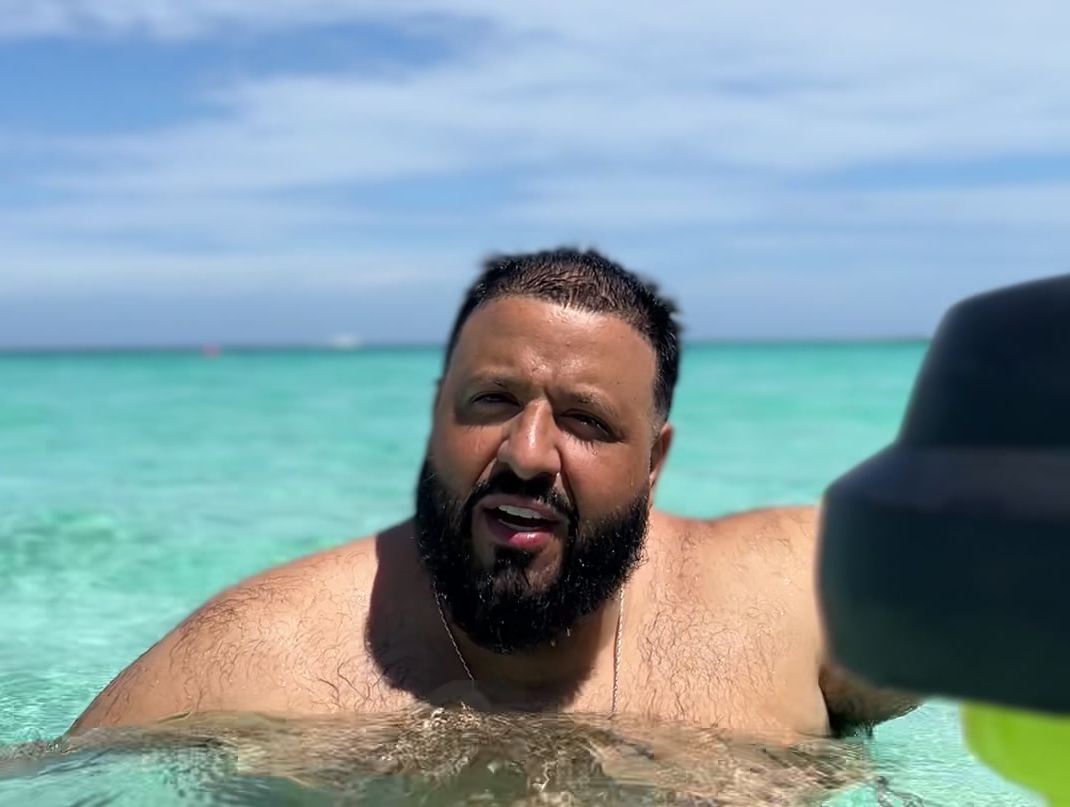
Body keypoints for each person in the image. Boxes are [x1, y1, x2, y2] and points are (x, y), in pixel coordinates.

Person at [71, 248, 913, 741]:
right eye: (492, 401)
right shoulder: (256, 657)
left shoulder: (795, 592)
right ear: (438, 413)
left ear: (654, 462)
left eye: (585, 420)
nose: (528, 453)